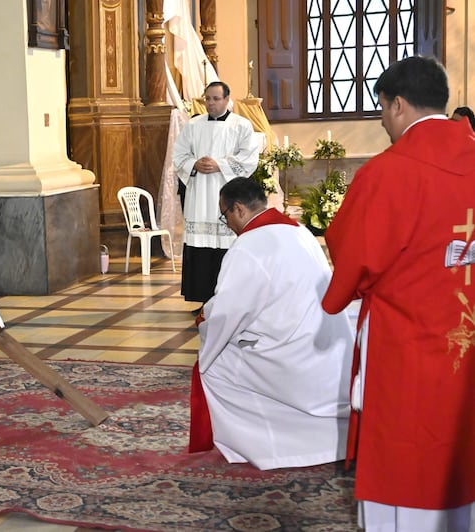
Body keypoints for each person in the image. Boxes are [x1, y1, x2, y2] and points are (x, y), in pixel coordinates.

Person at [322, 56, 475, 531]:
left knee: (408, 451)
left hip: (407, 342)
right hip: (464, 334)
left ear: (400, 105)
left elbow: (353, 255)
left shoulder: (389, 172)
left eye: (384, 109)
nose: (385, 121)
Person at [191, 177, 353, 470]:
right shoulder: (300, 232)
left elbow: (229, 312)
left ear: (238, 209)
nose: (226, 223)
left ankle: (262, 445)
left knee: (214, 365)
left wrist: (205, 320)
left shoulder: (248, 246)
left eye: (224, 214)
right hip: (328, 350)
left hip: (292, 356)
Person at [172, 81, 259, 315]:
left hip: (226, 196)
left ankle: (229, 302)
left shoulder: (241, 125)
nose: (210, 103)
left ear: (227, 100)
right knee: (202, 250)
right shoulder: (193, 125)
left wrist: (219, 164)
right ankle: (205, 301)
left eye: (216, 98)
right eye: (207, 98)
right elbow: (179, 154)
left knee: (226, 250)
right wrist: (194, 163)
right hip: (199, 197)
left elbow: (250, 159)